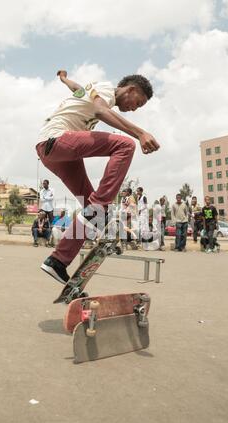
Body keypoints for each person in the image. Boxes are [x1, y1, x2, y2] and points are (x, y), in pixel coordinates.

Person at [36, 69, 160, 283]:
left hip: (52, 153)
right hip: (57, 140)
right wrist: (140, 133)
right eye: (136, 103)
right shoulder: (105, 90)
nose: (132, 109)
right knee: (125, 145)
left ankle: (58, 261)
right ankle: (103, 214)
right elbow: (101, 111)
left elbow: (76, 88)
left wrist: (64, 78)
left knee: (89, 204)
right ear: (130, 89)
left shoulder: (91, 90)